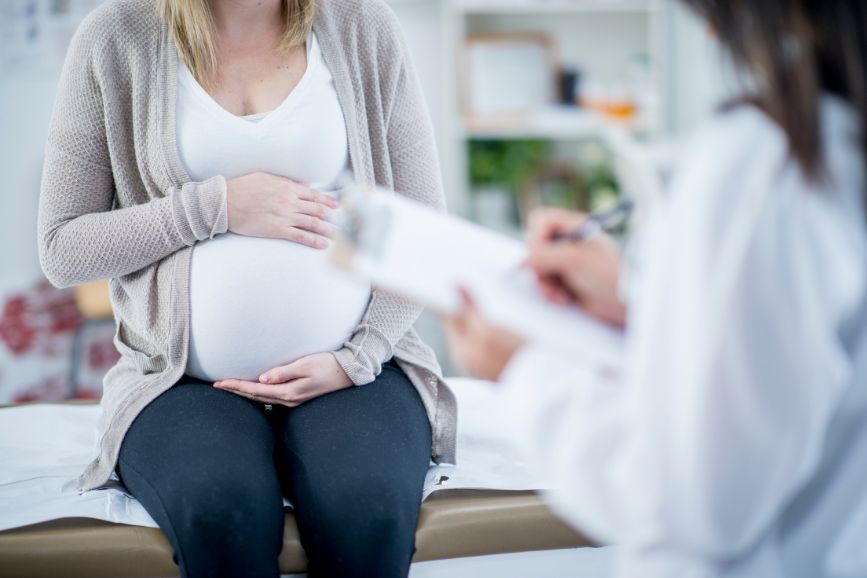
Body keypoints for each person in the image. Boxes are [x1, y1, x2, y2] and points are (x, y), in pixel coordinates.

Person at [36, 0, 457, 576]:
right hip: (181, 380)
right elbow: (64, 248)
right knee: (220, 513)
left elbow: (421, 234)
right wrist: (219, 206)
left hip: (356, 373)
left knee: (368, 512)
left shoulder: (363, 24)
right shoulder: (116, 35)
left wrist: (358, 358)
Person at [448, 1, 867, 576]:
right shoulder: (837, 140)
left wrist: (527, 371)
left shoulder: (764, 162)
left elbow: (687, 506)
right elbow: (796, 361)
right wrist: (640, 303)